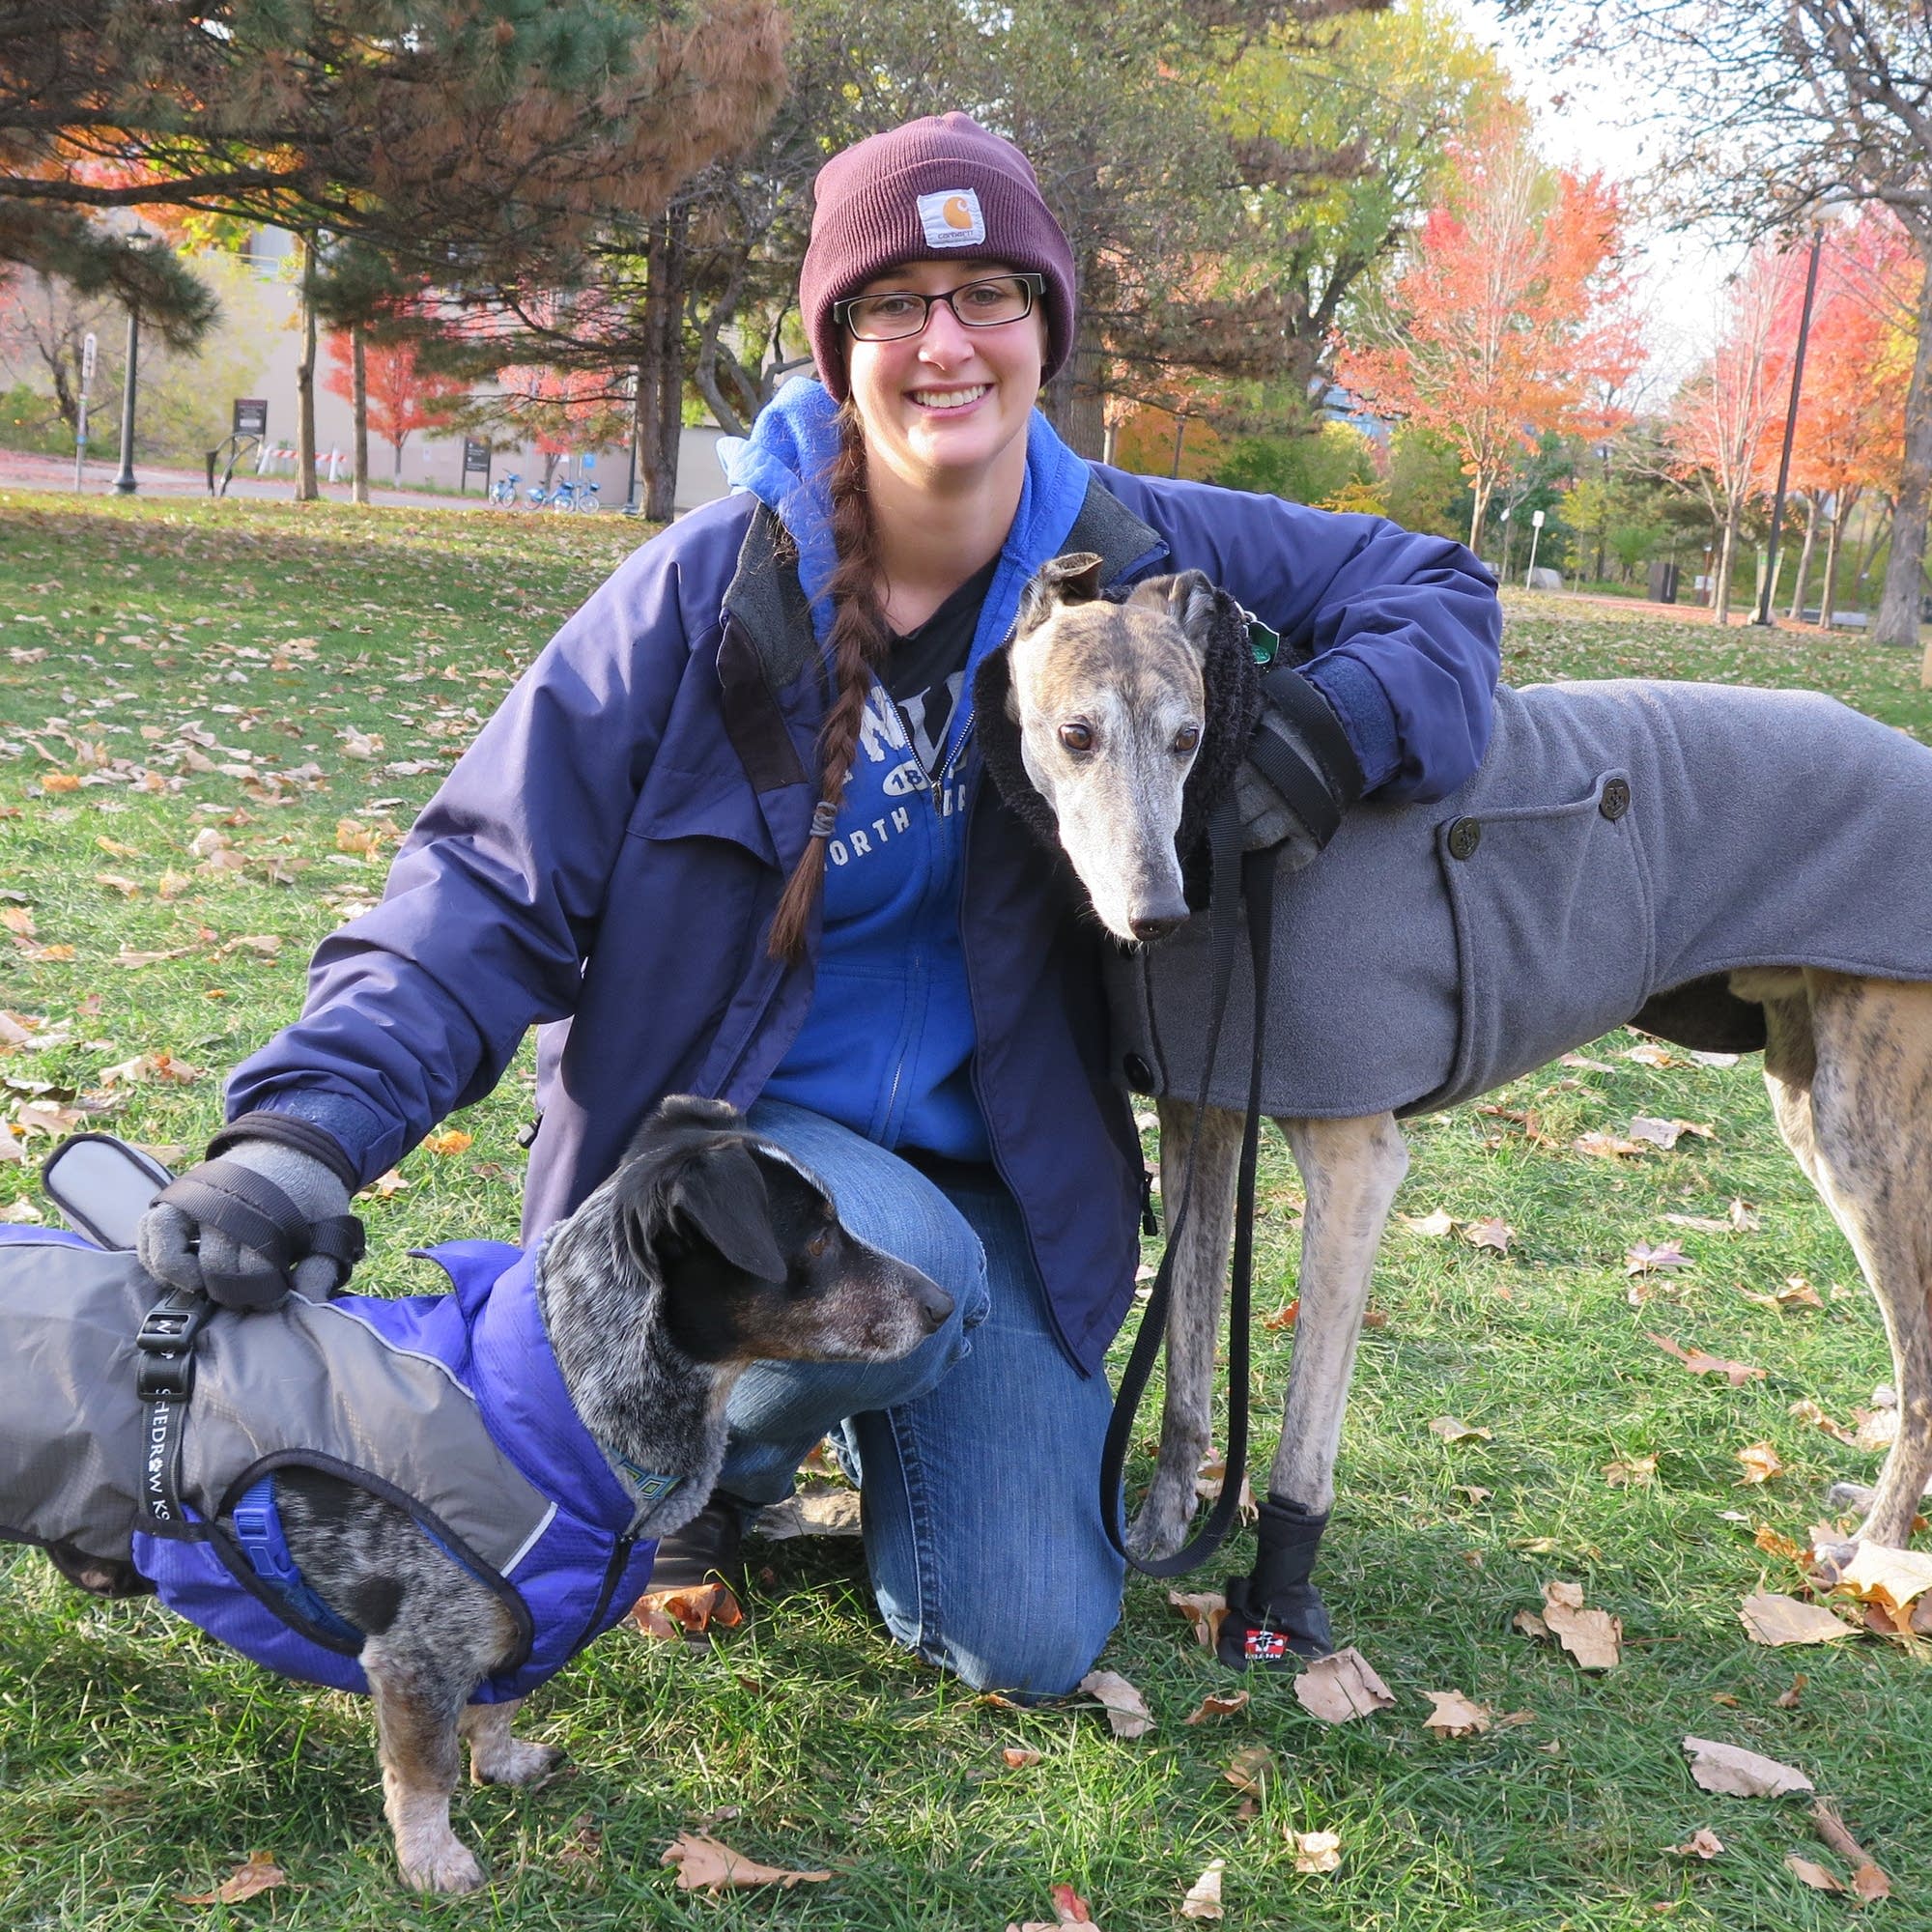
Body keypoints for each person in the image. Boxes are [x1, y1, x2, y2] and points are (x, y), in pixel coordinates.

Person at [136, 113, 1501, 1697]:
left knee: (1031, 1637)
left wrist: (1329, 730)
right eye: (895, 301)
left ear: (1044, 332)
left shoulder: (1135, 551)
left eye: (991, 294)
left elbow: (1442, 592)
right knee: (906, 1274)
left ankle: (849, 1422)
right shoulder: (709, 589)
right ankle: (712, 1461)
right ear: (836, 341)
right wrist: (294, 1140)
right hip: (737, 1177)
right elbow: (479, 886)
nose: (948, 342)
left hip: (1008, 1179)